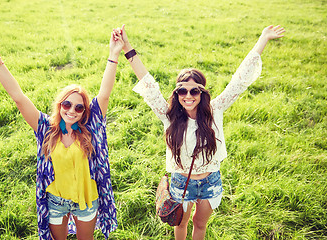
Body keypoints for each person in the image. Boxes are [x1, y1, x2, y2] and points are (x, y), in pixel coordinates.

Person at [117, 24, 285, 239]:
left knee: (200, 224)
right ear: (177, 94)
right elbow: (148, 84)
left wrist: (263, 39)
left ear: (202, 92)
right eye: (182, 91)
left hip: (210, 181)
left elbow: (240, 80)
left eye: (194, 90)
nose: (188, 95)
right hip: (181, 181)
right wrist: (127, 47)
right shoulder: (168, 116)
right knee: (181, 222)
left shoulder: (215, 110)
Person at [0, 29, 124, 239]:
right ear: (60, 105)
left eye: (79, 108)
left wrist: (113, 55)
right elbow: (18, 97)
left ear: (85, 112)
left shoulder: (91, 128)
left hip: (86, 199)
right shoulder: (46, 128)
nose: (72, 110)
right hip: (55, 202)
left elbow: (104, 94)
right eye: (67, 104)